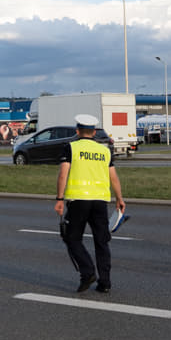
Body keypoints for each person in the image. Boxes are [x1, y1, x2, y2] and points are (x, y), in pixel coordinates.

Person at [54, 114, 125, 293]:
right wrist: (119, 198)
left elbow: (63, 174)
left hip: (78, 201)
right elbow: (113, 177)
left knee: (72, 238)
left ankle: (87, 272)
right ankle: (105, 283)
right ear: (94, 132)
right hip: (100, 201)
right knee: (102, 242)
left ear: (77, 131)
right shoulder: (104, 151)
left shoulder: (70, 147)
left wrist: (59, 199)